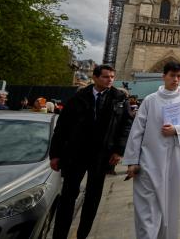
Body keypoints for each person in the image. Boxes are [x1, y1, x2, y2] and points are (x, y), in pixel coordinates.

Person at [49, 65, 133, 239]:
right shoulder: (78, 97)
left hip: (102, 155)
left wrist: (119, 150)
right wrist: (55, 154)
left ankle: (83, 234)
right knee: (68, 196)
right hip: (76, 153)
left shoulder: (119, 99)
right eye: (105, 77)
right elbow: (62, 128)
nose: (110, 80)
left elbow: (126, 125)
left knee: (93, 199)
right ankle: (59, 234)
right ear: (94, 78)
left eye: (112, 77)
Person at [123, 61, 180, 239]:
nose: (176, 80)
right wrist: (132, 161)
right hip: (149, 160)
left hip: (175, 159)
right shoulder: (151, 100)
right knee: (147, 207)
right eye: (172, 75)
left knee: (170, 202)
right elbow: (137, 131)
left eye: (179, 76)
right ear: (164, 76)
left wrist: (177, 130)